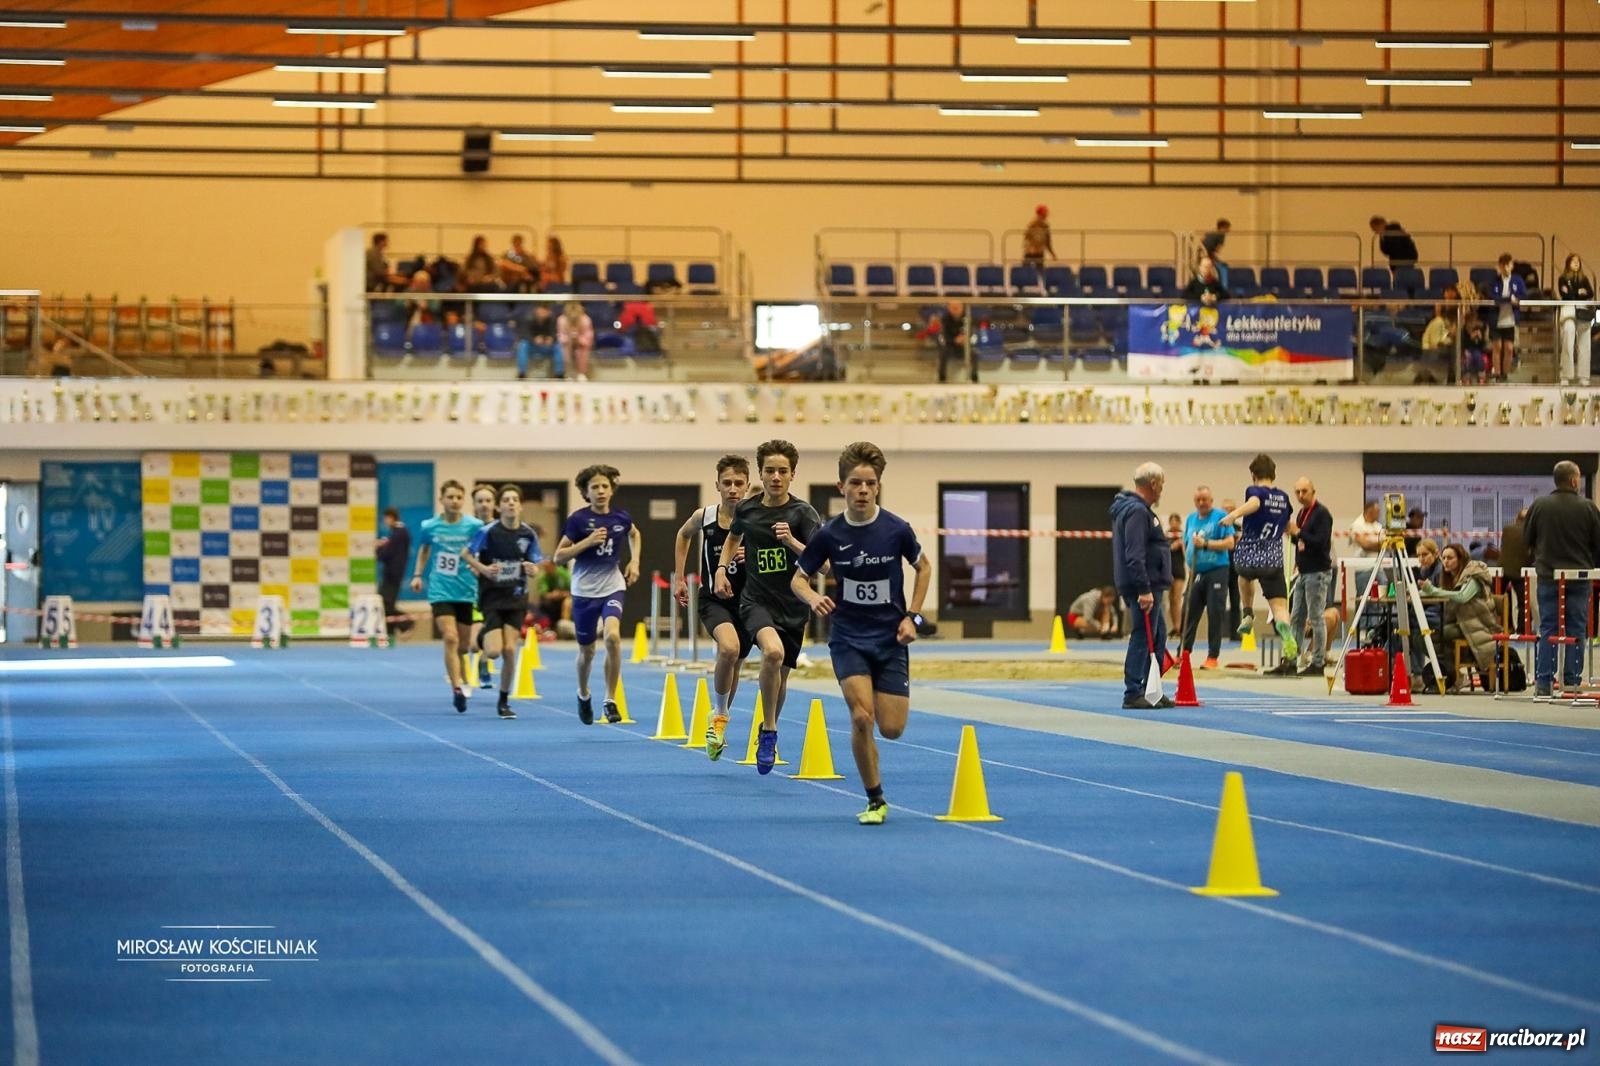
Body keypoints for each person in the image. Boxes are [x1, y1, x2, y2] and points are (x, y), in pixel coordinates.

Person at [793, 441, 932, 825]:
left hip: (890, 640)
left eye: (870, 484)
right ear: (842, 487)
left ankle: (873, 753)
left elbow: (924, 568)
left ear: (879, 486)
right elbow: (799, 579)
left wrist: (913, 617)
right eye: (855, 483)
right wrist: (811, 599)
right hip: (849, 638)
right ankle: (875, 799)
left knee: (891, 728)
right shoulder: (829, 534)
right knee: (860, 717)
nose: (863, 491)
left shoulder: (896, 529)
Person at [715, 440, 823, 773]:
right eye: (770, 471)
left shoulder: (803, 513)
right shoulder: (747, 509)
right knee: (772, 654)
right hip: (756, 601)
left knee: (782, 676)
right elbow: (733, 536)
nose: (776, 477)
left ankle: (767, 724)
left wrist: (791, 541)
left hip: (793, 604)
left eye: (783, 471)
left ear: (792, 475)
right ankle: (771, 733)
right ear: (760, 473)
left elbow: (825, 565)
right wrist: (722, 568)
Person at [673, 453, 753, 760]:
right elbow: (683, 536)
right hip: (714, 598)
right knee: (729, 649)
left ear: (747, 486)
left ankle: (720, 720)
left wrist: (755, 557)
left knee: (736, 664)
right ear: (717, 484)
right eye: (727, 483)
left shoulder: (756, 518)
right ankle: (718, 717)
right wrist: (680, 578)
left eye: (739, 483)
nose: (733, 489)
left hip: (748, 601)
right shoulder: (704, 517)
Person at [553, 464, 640, 723]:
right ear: (586, 492)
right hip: (583, 591)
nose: (601, 491)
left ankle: (610, 699)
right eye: (595, 487)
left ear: (611, 490)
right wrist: (587, 542)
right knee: (587, 652)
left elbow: (635, 534)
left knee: (613, 637)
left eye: (605, 486)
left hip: (612, 585)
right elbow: (558, 557)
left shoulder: (621, 518)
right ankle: (583, 693)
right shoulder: (578, 520)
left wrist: (634, 562)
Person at [1522, 460, 1600, 699]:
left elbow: (1527, 539)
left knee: (1547, 628)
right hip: (1578, 578)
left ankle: (1544, 682)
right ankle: (1572, 681)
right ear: (1575, 480)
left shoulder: (1539, 505)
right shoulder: (1588, 507)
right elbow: (1598, 543)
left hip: (1547, 576)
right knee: (1577, 629)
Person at [463, 485, 542, 719]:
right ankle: (480, 639)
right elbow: (466, 554)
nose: (510, 503)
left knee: (509, 650)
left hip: (517, 597)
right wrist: (485, 569)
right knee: (494, 651)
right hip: (492, 596)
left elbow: (535, 564)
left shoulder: (528, 534)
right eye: (506, 500)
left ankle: (504, 701)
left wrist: (532, 569)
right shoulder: (488, 532)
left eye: (514, 500)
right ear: (499, 506)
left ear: (520, 505)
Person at [410, 480, 486, 714]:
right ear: (441, 499)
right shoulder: (430, 526)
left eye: (458, 497)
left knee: (463, 645)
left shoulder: (474, 525)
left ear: (463, 501)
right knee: (450, 637)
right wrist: (418, 574)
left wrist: (478, 566)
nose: (454, 501)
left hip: (465, 590)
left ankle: (463, 677)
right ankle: (456, 689)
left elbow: (481, 549)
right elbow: (424, 549)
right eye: (450, 497)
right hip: (440, 590)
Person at [1218, 453, 1297, 665]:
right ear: (1274, 474)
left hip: (1250, 554)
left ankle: (1248, 612)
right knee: (1279, 607)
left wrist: (1234, 515)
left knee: (1243, 576)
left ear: (1253, 474)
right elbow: (1288, 525)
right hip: (1273, 559)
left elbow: (1254, 503)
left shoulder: (1254, 491)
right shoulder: (1283, 497)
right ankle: (1286, 633)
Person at [1109, 462, 1174, 709]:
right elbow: (1134, 554)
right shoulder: (1137, 512)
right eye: (1162, 485)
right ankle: (1133, 691)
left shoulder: (1137, 510)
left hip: (1147, 584)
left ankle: (1150, 689)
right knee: (1143, 636)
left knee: (1158, 635)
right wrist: (1144, 589)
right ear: (1154, 484)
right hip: (1144, 587)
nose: (1162, 491)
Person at [1420, 543, 1499, 693]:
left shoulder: (1473, 576)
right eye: (1443, 558)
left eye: (1450, 558)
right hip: (1461, 623)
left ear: (1460, 559)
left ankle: (1454, 673)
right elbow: (1444, 593)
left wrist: (1435, 591)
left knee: (1445, 632)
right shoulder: (1449, 578)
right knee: (1428, 633)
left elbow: (1462, 597)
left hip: (1479, 625)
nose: (1445, 561)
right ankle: (1451, 671)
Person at [1182, 485, 1234, 669]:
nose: (1201, 503)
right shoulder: (1190, 518)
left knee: (1215, 612)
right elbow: (1186, 542)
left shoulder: (1220, 517)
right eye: (1198, 500)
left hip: (1217, 570)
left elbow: (1230, 543)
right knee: (1189, 611)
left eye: (1205, 499)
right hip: (1196, 572)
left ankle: (1213, 656)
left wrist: (1205, 544)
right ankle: (1184, 653)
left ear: (1211, 500)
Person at [1285, 477, 1333, 676]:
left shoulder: (1322, 514)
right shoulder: (1302, 513)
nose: (1300, 495)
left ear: (1313, 491)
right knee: (1296, 617)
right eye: (1297, 492)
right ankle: (1291, 659)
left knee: (1315, 617)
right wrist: (1294, 536)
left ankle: (1318, 662)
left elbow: (1319, 542)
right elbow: (1302, 542)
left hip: (1318, 572)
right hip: (1303, 572)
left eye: (1304, 491)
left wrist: (1299, 533)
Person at [465, 484, 499, 689]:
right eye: (480, 501)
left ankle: (485, 661)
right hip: (470, 592)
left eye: (488, 501)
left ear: (494, 504)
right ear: (474, 505)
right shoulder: (469, 529)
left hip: (496, 592)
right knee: (471, 645)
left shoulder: (500, 529)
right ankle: (481, 658)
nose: (484, 505)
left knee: (494, 649)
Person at [1557, 253, 1595, 385]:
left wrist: (1575, 292)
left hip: (1582, 310)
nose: (1576, 263)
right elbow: (1565, 294)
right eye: (1573, 261)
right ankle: (1565, 375)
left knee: (1585, 343)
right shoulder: (1562, 278)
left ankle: (1584, 376)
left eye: (1578, 261)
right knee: (1568, 337)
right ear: (1568, 263)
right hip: (1568, 310)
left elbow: (1590, 293)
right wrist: (1578, 293)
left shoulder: (1584, 278)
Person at [1488, 252, 1525, 383]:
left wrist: (1517, 299)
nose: (1505, 268)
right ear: (1499, 266)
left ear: (1512, 266)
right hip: (1496, 319)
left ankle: (1505, 374)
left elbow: (1523, 295)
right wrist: (1508, 299)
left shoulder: (1517, 280)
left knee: (1509, 348)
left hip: (1510, 318)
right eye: (1503, 266)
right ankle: (1497, 373)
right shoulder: (1494, 281)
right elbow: (1493, 297)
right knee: (1497, 347)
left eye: (1508, 265)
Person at [376, 507, 413, 638]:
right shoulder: (399, 533)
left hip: (392, 575)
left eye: (385, 519)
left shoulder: (399, 533)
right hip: (393, 574)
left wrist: (379, 548)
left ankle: (406, 623)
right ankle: (390, 633)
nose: (384, 522)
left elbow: (387, 554)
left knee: (386, 603)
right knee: (386, 604)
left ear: (391, 517)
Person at [1499, 506, 1530, 634]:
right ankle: (1522, 630)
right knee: (1523, 603)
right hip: (1520, 571)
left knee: (1501, 600)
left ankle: (1506, 627)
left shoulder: (1507, 529)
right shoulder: (1530, 532)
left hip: (1503, 569)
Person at [517, 303, 559, 380]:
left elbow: (555, 333)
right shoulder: (528, 318)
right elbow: (524, 334)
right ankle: (522, 373)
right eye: (541, 310)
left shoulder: (552, 319)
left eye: (546, 310)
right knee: (523, 345)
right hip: (532, 346)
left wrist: (551, 338)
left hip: (547, 346)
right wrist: (534, 339)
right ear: (536, 310)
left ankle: (559, 374)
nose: (543, 313)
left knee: (557, 346)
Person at [558, 300, 595, 382]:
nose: (573, 314)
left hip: (581, 344)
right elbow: (560, 335)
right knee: (563, 350)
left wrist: (578, 339)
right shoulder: (562, 320)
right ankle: (567, 373)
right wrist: (569, 339)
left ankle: (582, 374)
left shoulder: (585, 320)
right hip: (567, 344)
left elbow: (589, 336)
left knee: (582, 351)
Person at [533, 559, 572, 633]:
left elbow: (572, 591)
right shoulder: (543, 576)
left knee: (568, 602)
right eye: (545, 567)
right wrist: (553, 595)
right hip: (551, 600)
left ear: (553, 566)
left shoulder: (563, 573)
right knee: (543, 604)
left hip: (565, 598)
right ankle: (547, 627)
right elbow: (543, 594)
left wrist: (561, 594)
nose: (546, 569)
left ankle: (565, 627)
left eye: (548, 567)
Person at [1166, 513, 1186, 632]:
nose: (1173, 524)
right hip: (1168, 570)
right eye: (1171, 521)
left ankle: (1180, 627)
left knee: (1177, 599)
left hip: (1179, 570)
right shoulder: (1166, 535)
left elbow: (1187, 553)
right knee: (1171, 600)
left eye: (1176, 521)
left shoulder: (1183, 535)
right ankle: (1175, 627)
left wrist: (1181, 544)